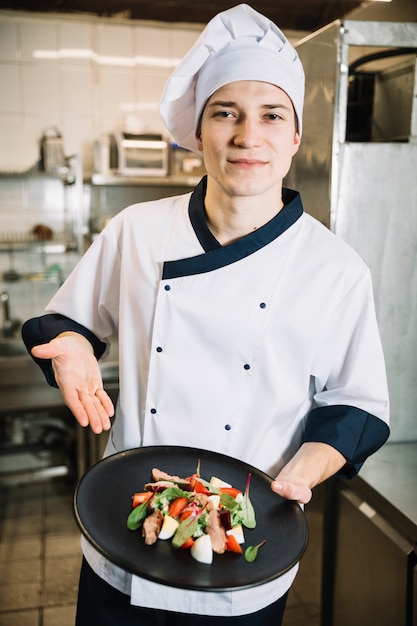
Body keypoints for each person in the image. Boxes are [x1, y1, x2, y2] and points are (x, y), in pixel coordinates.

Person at [22, 4, 390, 625]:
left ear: (296, 135)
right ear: (198, 131)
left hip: (244, 554)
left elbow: (358, 405)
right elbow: (70, 323)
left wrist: (311, 464)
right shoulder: (136, 231)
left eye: (272, 115)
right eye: (226, 113)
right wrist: (74, 345)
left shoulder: (336, 269)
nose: (249, 136)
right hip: (121, 546)